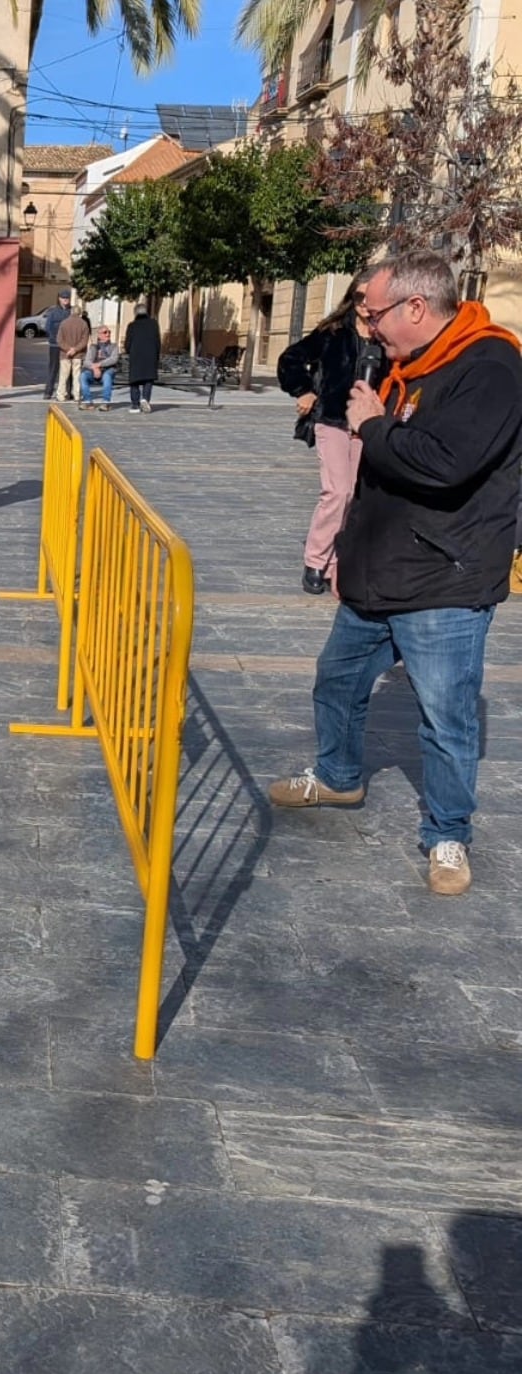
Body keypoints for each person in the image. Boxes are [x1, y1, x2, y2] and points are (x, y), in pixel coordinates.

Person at [269, 251, 522, 897]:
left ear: (416, 306)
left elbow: (443, 463)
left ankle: (447, 835)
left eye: (374, 311)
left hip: (444, 580)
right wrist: (345, 554)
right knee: (337, 681)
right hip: (377, 572)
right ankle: (338, 775)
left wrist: (371, 425)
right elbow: (376, 479)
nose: (367, 324)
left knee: (445, 717)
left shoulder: (490, 366)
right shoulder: (407, 363)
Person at [277, 269, 378, 595]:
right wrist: (303, 390)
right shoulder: (333, 332)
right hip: (332, 420)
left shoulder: (387, 335)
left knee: (357, 495)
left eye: (371, 297)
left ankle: (339, 565)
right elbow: (290, 359)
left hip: (369, 427)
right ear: (352, 297)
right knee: (338, 492)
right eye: (360, 297)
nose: (365, 304)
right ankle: (316, 561)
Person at [124, 300, 162, 413]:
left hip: (136, 356)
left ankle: (135, 405)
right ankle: (145, 399)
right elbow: (158, 341)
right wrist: (157, 355)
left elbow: (128, 343)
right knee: (148, 380)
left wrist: (128, 350)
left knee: (134, 381)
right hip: (150, 356)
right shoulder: (154, 324)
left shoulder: (132, 326)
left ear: (135, 313)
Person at [56, 304, 90, 404]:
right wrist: (75, 349)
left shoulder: (64, 323)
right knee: (77, 376)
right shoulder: (84, 324)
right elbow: (84, 341)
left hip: (64, 354)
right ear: (79, 313)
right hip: (78, 355)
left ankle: (61, 395)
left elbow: (59, 340)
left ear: (71, 312)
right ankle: (77, 395)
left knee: (63, 376)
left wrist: (68, 349)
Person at [79, 325, 119, 410]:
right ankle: (88, 402)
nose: (108, 334)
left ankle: (105, 403)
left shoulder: (114, 346)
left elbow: (113, 359)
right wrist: (94, 368)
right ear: (99, 335)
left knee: (107, 376)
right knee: (83, 376)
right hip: (94, 371)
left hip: (108, 369)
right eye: (105, 332)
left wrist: (99, 364)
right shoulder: (93, 347)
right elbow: (87, 361)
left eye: (109, 332)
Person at [41, 291, 71, 400]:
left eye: (67, 298)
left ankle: (68, 392)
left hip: (68, 346)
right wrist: (54, 338)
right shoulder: (53, 312)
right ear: (59, 299)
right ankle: (48, 392)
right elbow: (48, 327)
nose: (65, 300)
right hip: (54, 345)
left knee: (68, 369)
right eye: (63, 298)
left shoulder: (71, 312)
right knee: (53, 369)